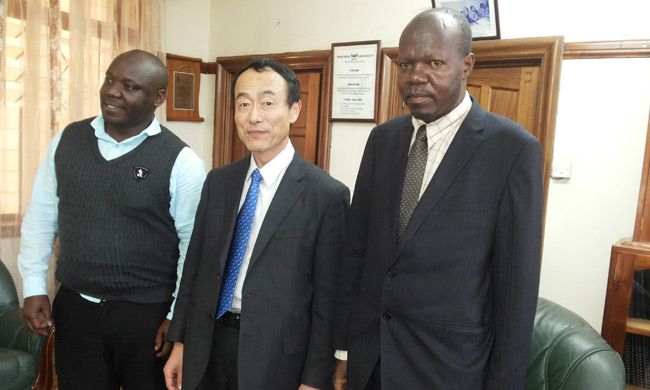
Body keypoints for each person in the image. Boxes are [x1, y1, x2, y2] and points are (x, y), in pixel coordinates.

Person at [333, 8, 543, 390]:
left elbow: (516, 293)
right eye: (406, 64)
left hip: (449, 371)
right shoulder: (383, 141)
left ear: (467, 65)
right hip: (372, 362)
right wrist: (345, 350)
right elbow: (358, 252)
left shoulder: (512, 150)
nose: (416, 76)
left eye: (434, 62)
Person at [18, 49, 206, 389]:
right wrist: (33, 286)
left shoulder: (182, 161)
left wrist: (176, 316)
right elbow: (41, 216)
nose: (112, 91)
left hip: (147, 317)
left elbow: (193, 247)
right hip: (76, 309)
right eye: (109, 80)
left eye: (130, 86)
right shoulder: (67, 141)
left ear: (158, 98)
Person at [163, 58, 350, 390]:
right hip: (207, 346)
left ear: (294, 110)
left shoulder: (326, 195)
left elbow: (328, 302)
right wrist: (180, 342)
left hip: (276, 359)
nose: (254, 117)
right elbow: (196, 270)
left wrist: (315, 380)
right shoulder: (218, 182)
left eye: (267, 103)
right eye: (244, 104)